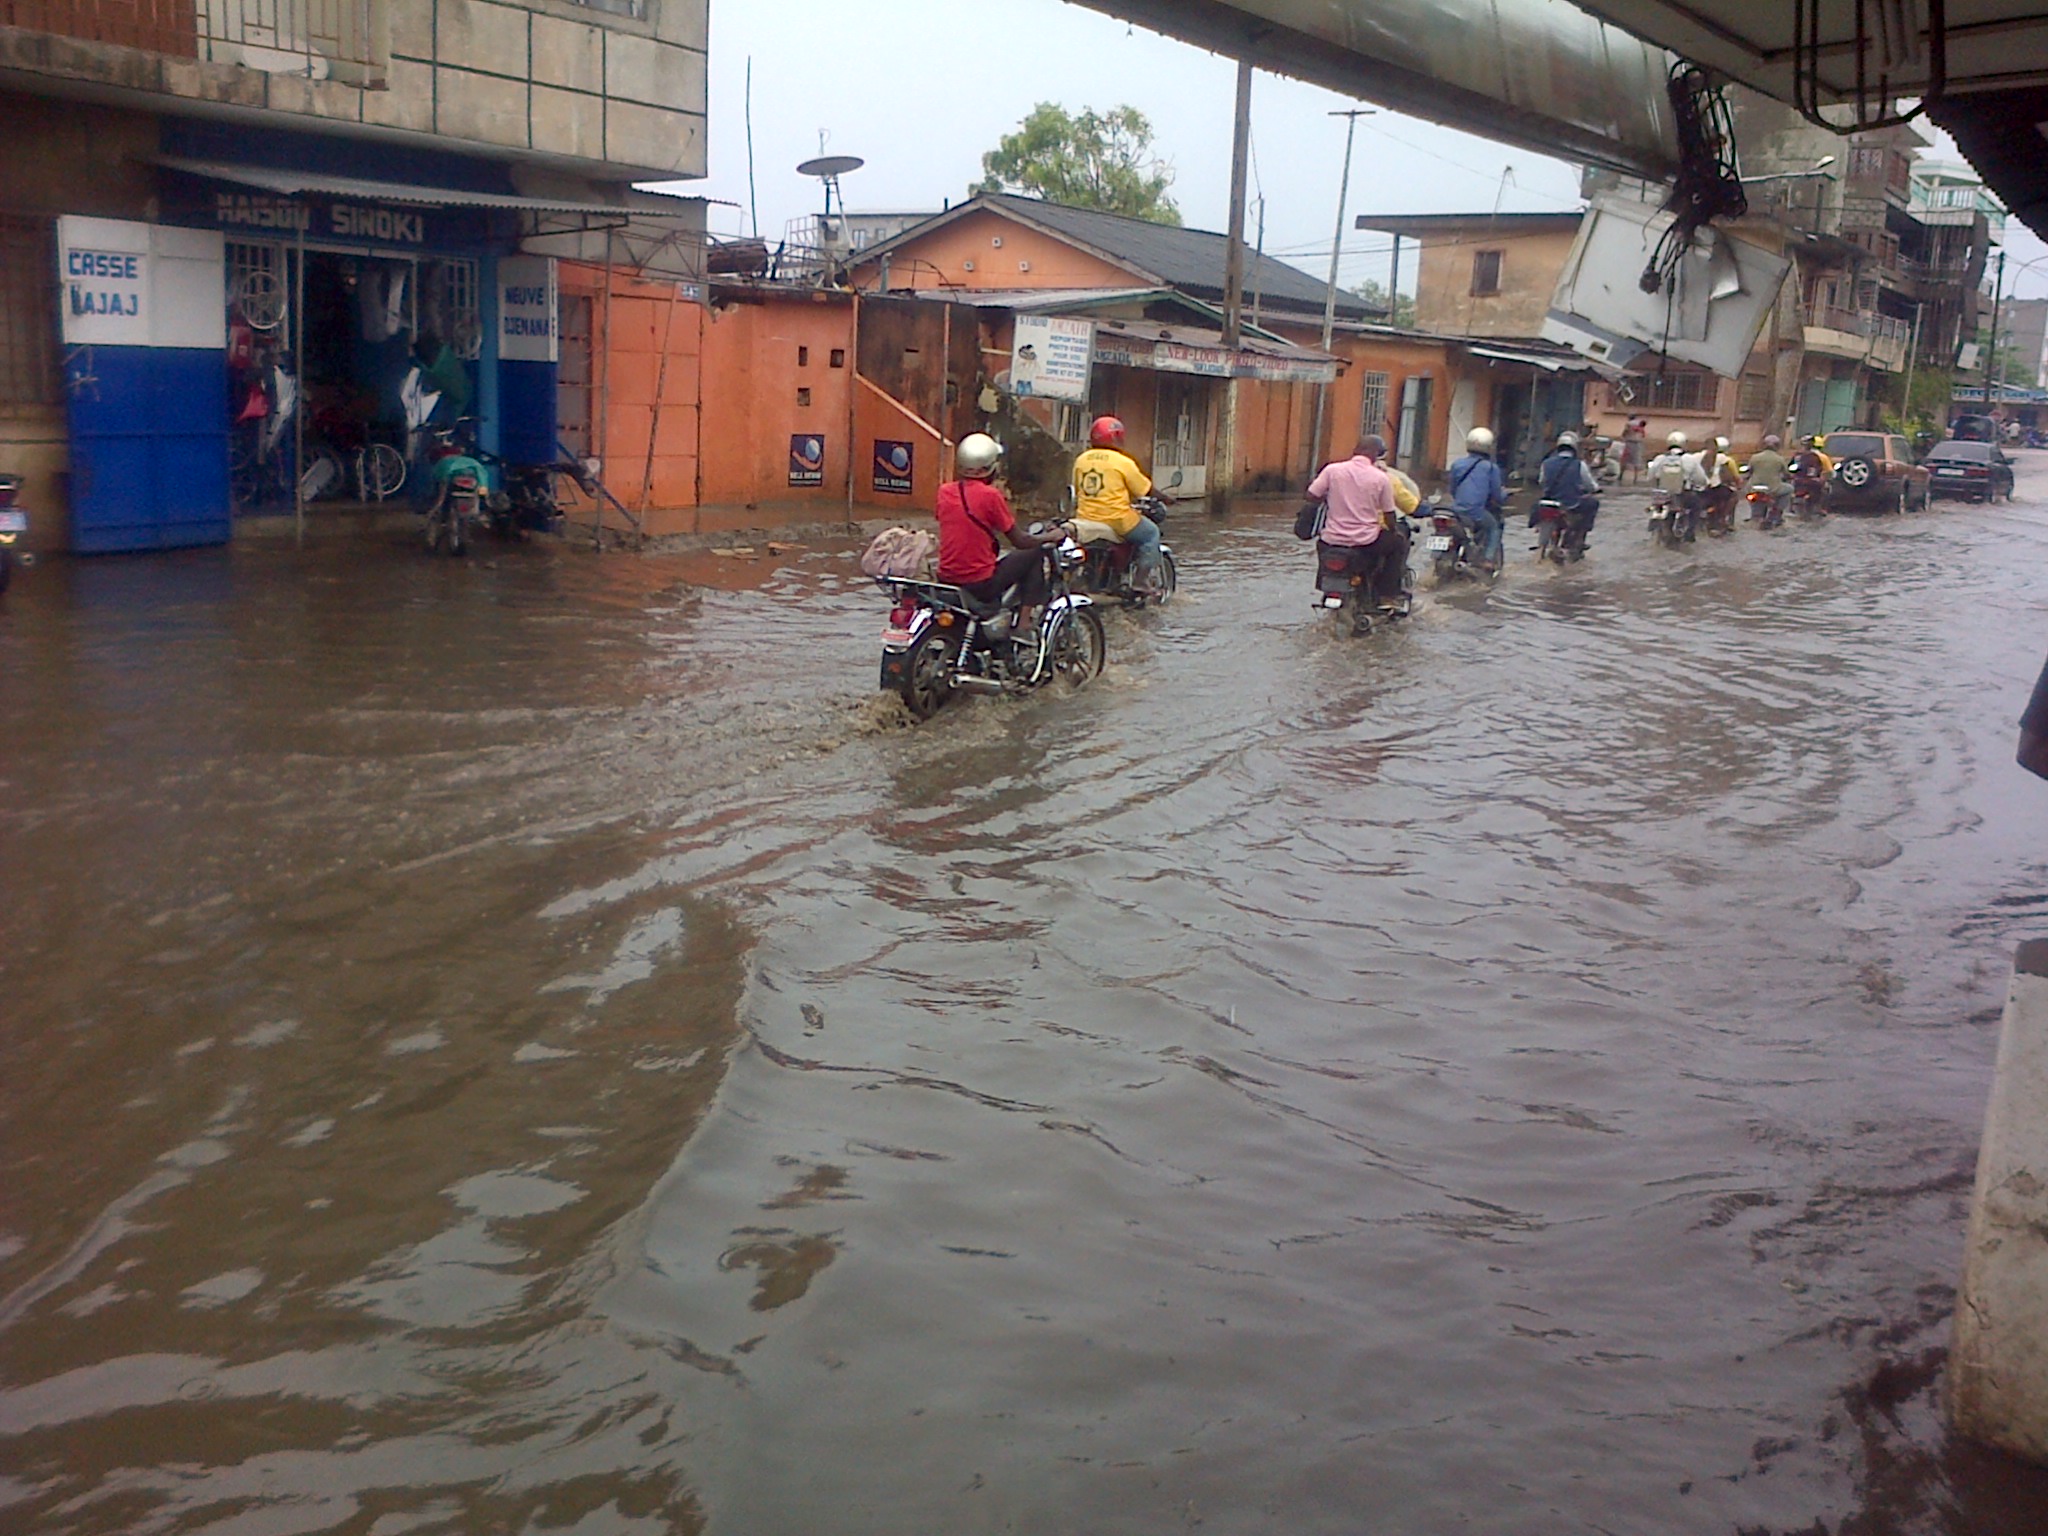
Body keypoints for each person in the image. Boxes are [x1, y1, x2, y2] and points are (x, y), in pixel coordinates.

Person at [935, 433, 1070, 616]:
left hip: (945, 578)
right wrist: (1052, 536)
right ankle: (1024, 623)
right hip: (979, 583)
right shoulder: (990, 495)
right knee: (1034, 552)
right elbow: (1020, 540)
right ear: (991, 467)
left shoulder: (945, 492)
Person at [1304, 433, 1405, 631]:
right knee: (1398, 544)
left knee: (1322, 545)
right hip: (1365, 542)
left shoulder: (1332, 470)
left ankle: (1328, 588)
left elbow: (1311, 495)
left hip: (1331, 541)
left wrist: (1330, 498)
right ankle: (1387, 595)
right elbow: (1389, 515)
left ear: (1356, 450)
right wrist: (1394, 531)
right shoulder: (1380, 478)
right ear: (1375, 455)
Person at [1070, 416, 1165, 593]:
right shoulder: (1123, 461)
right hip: (1117, 519)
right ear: (1116, 436)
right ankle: (1140, 581)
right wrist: (1166, 498)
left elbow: (1078, 488)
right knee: (1151, 533)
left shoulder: (1081, 460)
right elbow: (1144, 490)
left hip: (1085, 518)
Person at [1446, 426, 1507, 570]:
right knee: (1494, 528)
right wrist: (1504, 496)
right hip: (1476, 512)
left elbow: (1452, 489)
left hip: (1457, 511)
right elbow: (1496, 496)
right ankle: (1487, 559)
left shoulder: (1457, 464)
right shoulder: (1491, 468)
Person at [1537, 431, 1601, 544]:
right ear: (1574, 447)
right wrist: (1596, 489)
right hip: (1571, 504)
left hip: (1550, 503)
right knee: (1593, 503)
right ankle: (1582, 535)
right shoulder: (1580, 465)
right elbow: (1590, 485)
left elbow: (1542, 481)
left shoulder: (1546, 463)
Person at [1746, 433, 1791, 521]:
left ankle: (1754, 514)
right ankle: (1778, 512)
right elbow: (1786, 473)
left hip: (1754, 487)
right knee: (1790, 489)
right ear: (1777, 446)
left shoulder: (1754, 457)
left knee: (1749, 492)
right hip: (1773, 488)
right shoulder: (1780, 459)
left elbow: (1750, 471)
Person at [1621, 414, 1649, 483]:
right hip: (1638, 443)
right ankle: (1635, 477)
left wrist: (1623, 436)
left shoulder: (1629, 424)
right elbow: (1643, 434)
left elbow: (1625, 432)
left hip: (1629, 442)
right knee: (1636, 460)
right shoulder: (1640, 423)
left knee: (1625, 459)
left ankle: (1620, 475)